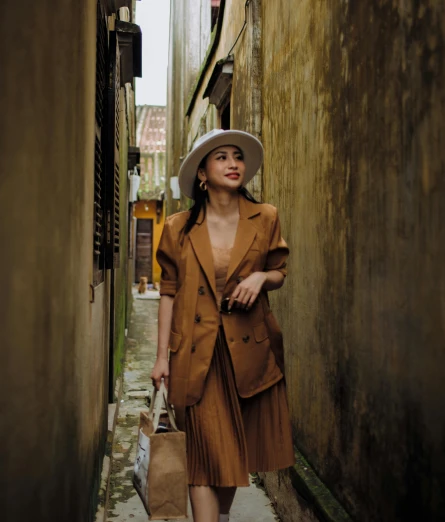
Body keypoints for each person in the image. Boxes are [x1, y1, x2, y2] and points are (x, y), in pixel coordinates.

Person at [151, 129, 294, 522]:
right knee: (203, 453)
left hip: (247, 352)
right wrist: (161, 357)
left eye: (238, 157)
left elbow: (279, 271)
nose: (233, 164)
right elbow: (168, 292)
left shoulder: (265, 217)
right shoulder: (179, 227)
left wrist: (260, 279)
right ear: (202, 173)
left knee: (232, 451)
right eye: (222, 157)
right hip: (195, 353)